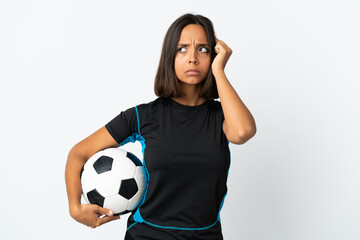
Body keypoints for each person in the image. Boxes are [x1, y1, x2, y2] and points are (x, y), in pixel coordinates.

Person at [65, 13, 256, 240]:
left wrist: (219, 71)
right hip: (147, 235)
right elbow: (79, 153)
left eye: (203, 49)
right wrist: (75, 208)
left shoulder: (221, 117)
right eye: (182, 49)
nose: (192, 58)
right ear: (169, 57)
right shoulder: (143, 116)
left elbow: (243, 132)